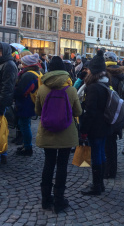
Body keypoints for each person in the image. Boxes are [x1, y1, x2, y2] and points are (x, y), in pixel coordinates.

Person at [35, 56, 82, 213]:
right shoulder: (71, 90)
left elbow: (38, 111)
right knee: (62, 166)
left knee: (48, 164)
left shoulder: (42, 88)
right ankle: (59, 200)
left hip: (47, 132)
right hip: (66, 134)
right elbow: (78, 112)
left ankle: (45, 199)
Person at [80, 50, 111, 196]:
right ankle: (101, 184)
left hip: (95, 127)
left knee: (96, 155)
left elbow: (90, 112)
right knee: (101, 153)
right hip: (104, 125)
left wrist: (83, 130)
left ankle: (96, 185)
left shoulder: (93, 88)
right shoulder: (106, 84)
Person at [14, 53, 43, 156]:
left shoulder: (28, 75)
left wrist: (14, 92)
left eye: (22, 62)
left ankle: (28, 148)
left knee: (24, 125)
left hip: (25, 103)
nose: (21, 64)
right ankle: (26, 145)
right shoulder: (37, 72)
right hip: (31, 102)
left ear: (27, 64)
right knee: (26, 124)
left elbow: (22, 91)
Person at [104, 51, 124, 178]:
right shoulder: (121, 74)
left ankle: (107, 171)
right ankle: (113, 170)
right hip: (119, 113)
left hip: (108, 113)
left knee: (107, 143)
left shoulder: (106, 75)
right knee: (113, 143)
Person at [0, 43, 18, 164]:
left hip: (1, 102)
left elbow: (7, 88)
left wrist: (1, 105)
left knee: (2, 130)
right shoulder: (3, 63)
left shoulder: (9, 65)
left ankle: (2, 155)